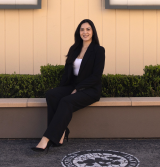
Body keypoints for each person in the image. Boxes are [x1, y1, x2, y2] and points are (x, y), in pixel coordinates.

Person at [31, 18, 106, 153]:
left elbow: (96, 76)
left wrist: (78, 89)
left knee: (66, 101)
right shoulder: (74, 48)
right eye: (82, 29)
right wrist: (61, 89)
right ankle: (61, 132)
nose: (85, 32)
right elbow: (67, 73)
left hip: (90, 89)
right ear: (78, 32)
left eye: (88, 29)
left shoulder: (98, 50)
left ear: (93, 32)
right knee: (52, 95)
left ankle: (46, 139)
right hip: (73, 85)